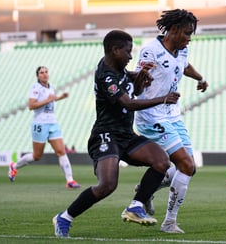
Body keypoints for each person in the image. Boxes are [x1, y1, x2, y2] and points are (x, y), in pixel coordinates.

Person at [53, 30, 181, 238]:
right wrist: (163, 98)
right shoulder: (105, 76)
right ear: (114, 50)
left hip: (125, 135)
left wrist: (140, 76)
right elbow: (129, 103)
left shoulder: (120, 69)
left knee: (161, 161)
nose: (131, 56)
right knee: (107, 185)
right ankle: (64, 218)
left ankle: (136, 205)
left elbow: (134, 88)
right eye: (128, 52)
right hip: (105, 135)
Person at [133, 9, 208, 234]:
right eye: (186, 33)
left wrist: (201, 78)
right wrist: (142, 80)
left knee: (189, 168)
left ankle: (145, 190)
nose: (189, 38)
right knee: (185, 164)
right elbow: (136, 87)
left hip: (172, 116)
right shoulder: (150, 51)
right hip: (152, 116)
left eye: (191, 34)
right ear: (173, 30)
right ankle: (169, 222)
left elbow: (184, 66)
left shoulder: (182, 50)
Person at [8, 66, 81, 189]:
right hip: (40, 124)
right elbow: (31, 106)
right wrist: (49, 100)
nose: (45, 74)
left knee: (61, 151)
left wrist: (60, 97)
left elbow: (50, 100)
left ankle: (70, 180)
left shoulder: (50, 86)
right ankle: (14, 166)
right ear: (37, 76)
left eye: (46, 72)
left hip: (53, 122)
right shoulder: (35, 87)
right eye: (41, 73)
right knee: (37, 156)